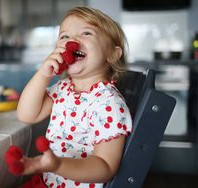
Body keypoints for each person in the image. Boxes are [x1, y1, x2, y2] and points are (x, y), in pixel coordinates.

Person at [17, 6, 132, 188]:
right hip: (47, 181)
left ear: (112, 54)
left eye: (86, 33)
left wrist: (59, 165)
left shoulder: (108, 103)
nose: (72, 41)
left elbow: (106, 167)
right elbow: (27, 114)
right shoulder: (64, 88)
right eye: (64, 36)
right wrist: (43, 74)